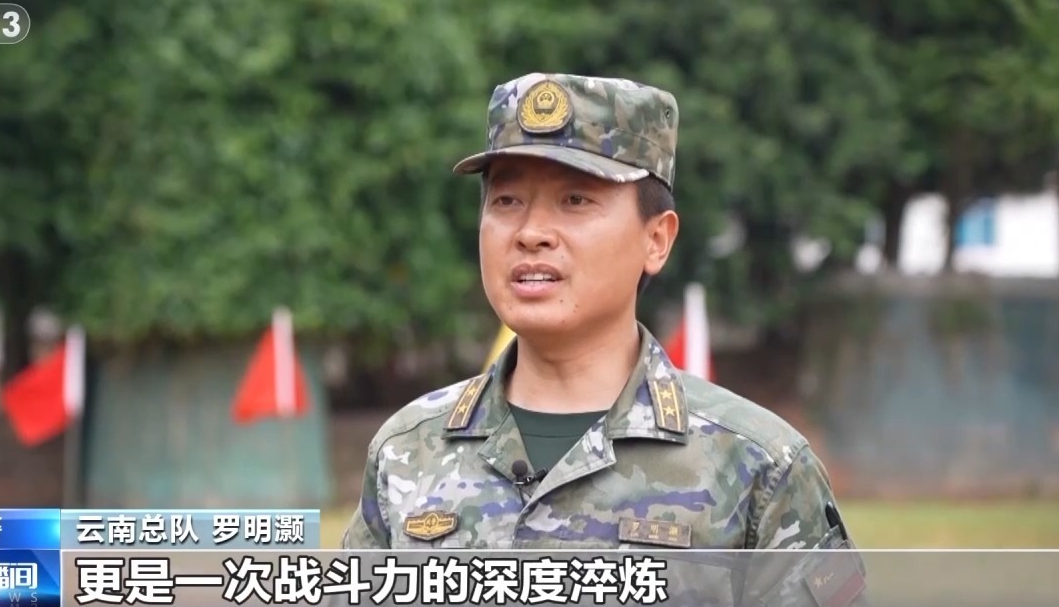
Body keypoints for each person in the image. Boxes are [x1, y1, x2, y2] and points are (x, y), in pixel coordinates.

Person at [341, 73, 861, 579]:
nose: (531, 233)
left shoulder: (758, 468)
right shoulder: (407, 453)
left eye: (575, 200)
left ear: (656, 240)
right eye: (507, 200)